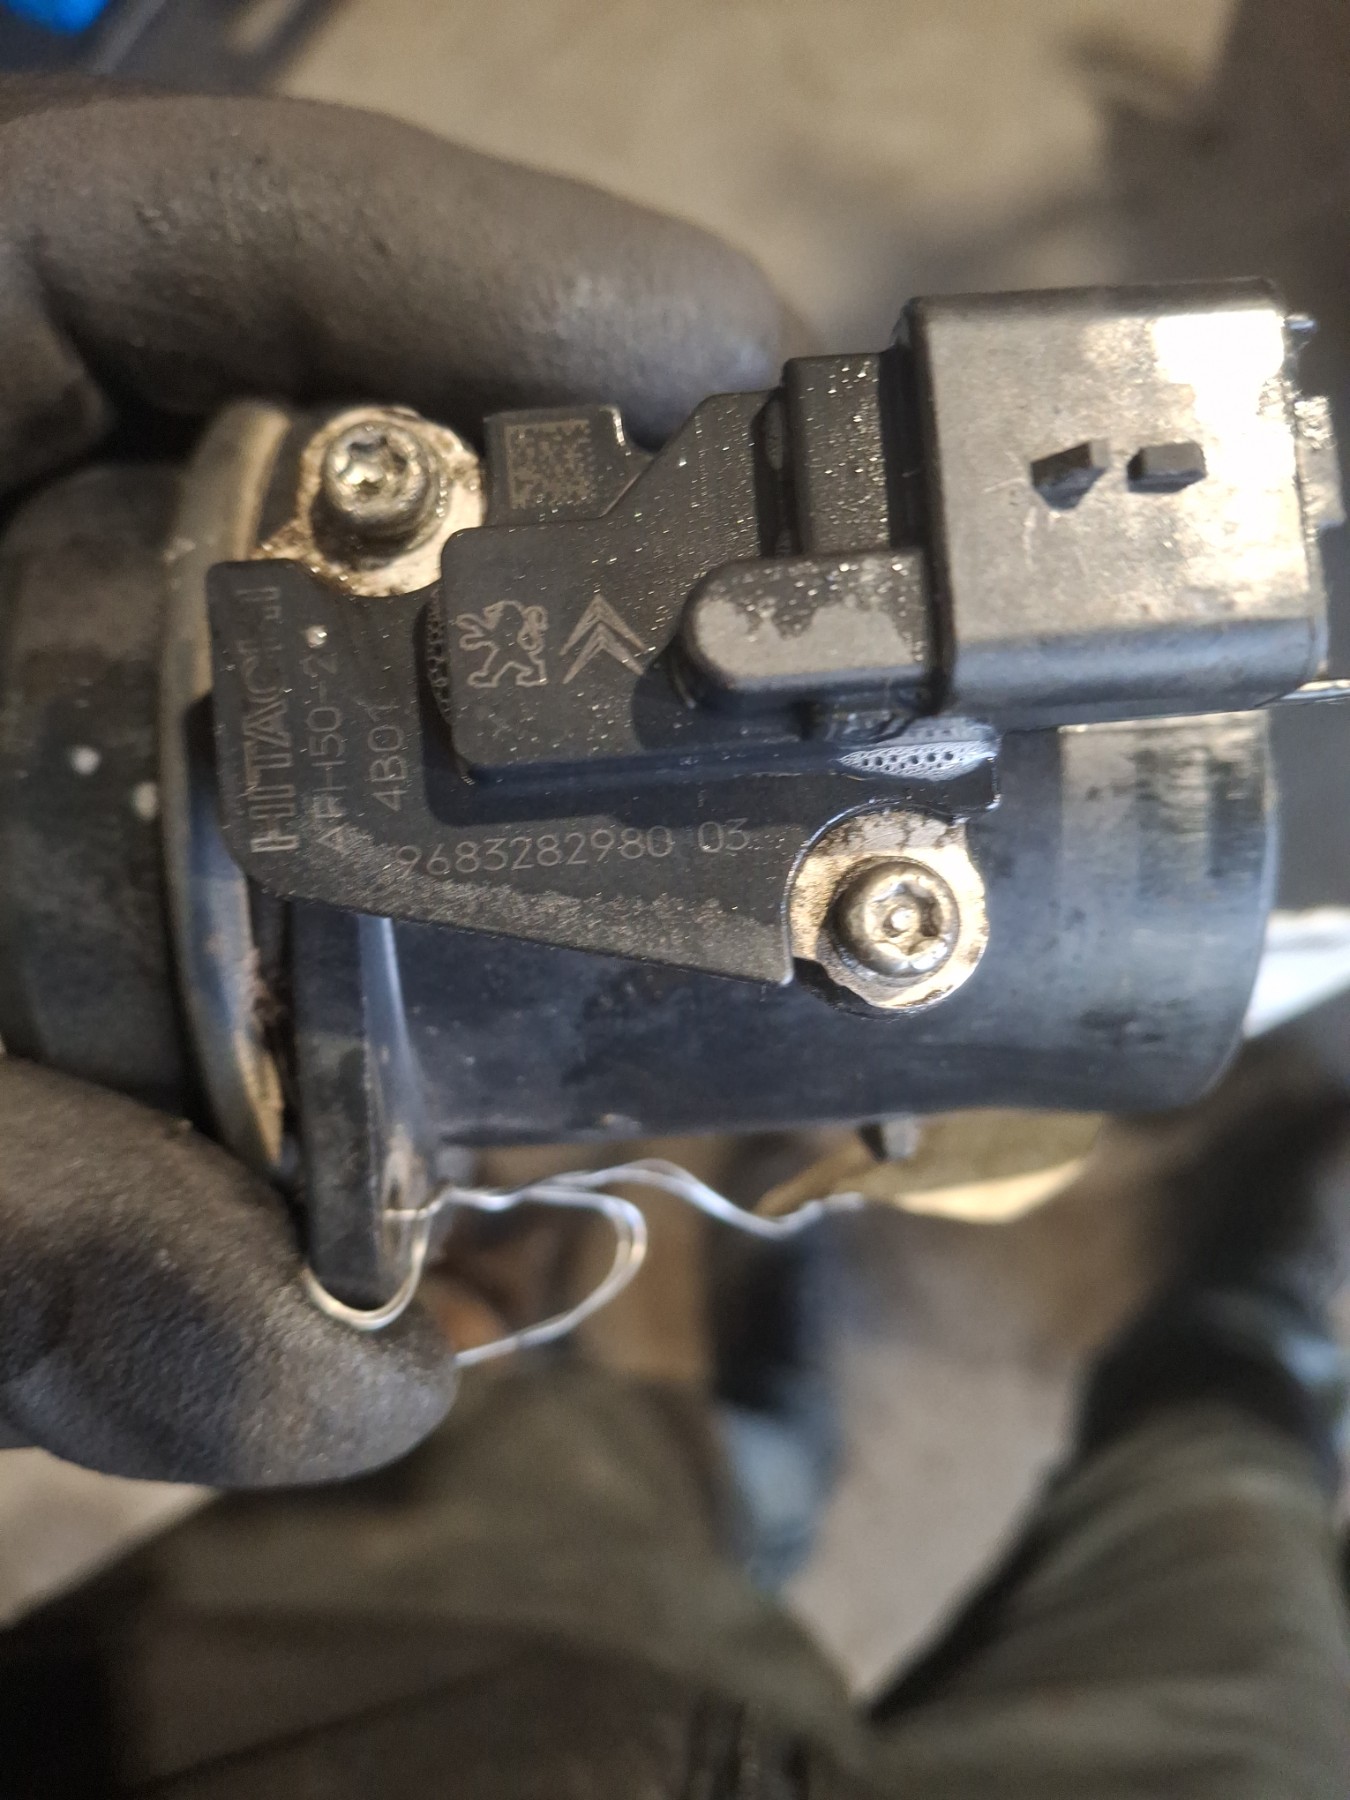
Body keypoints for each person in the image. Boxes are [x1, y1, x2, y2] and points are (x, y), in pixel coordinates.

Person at [0, 79, 1347, 1800]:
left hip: (351, 1692)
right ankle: (1232, 1362)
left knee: (595, 1486)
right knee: (1229, 1599)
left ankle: (737, 1399)